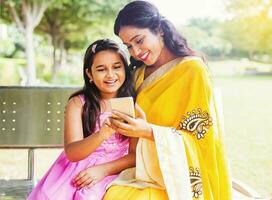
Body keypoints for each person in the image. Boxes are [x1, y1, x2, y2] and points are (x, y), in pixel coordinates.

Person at [103, 1, 232, 199]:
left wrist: (147, 131)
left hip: (176, 176)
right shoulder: (137, 74)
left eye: (139, 40)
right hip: (141, 168)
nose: (135, 52)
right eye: (128, 46)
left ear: (160, 30)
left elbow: (200, 139)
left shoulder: (192, 70)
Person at [27, 39, 137, 200]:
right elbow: (72, 153)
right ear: (89, 74)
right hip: (77, 168)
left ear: (125, 70)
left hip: (115, 169)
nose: (110, 75)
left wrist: (102, 170)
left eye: (116, 67)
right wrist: (101, 135)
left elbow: (134, 155)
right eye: (101, 69)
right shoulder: (78, 103)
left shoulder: (133, 103)